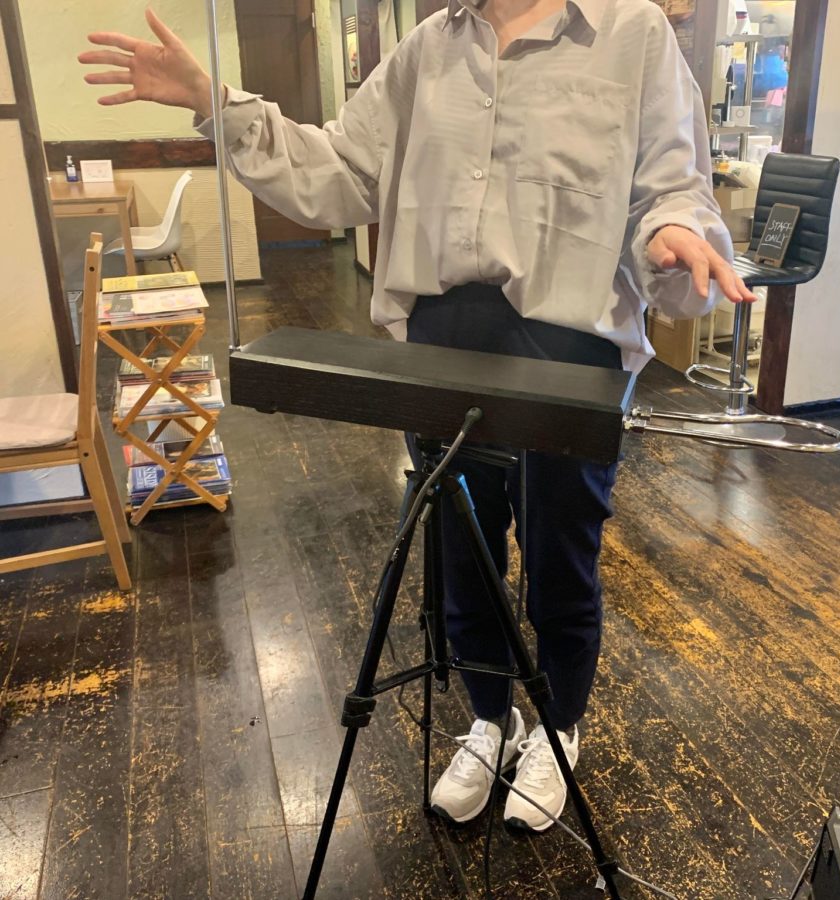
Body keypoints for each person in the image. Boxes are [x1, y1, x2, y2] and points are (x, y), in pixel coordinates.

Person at [80, 2, 754, 834]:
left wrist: (673, 230)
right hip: (437, 347)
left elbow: (671, 185)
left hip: (569, 351)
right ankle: (489, 720)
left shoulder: (631, 33)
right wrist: (217, 102)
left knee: (561, 553)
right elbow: (337, 171)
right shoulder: (426, 48)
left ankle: (559, 728)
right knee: (459, 553)